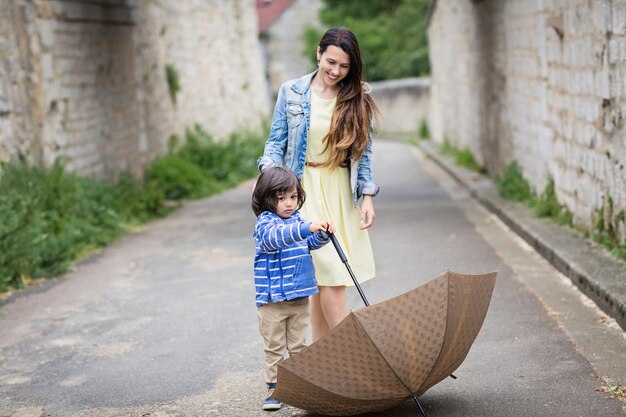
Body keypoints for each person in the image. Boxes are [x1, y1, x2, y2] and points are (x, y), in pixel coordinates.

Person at [257, 27, 380, 343]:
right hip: (303, 191)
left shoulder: (357, 96)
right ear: (318, 53)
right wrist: (268, 173)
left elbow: (363, 152)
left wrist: (367, 197)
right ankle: (356, 359)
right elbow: (275, 142)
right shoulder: (292, 92)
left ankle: (323, 362)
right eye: (331, 62)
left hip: (340, 189)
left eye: (344, 66)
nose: (336, 72)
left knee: (324, 284)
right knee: (331, 278)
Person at [252, 166, 335, 411]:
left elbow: (308, 242)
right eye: (281, 199)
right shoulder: (265, 224)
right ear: (267, 199)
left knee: (299, 345)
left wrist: (322, 234)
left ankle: (301, 385)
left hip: (298, 297)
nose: (289, 204)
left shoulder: (298, 220)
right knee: (275, 346)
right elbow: (276, 238)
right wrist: (305, 228)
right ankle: (275, 389)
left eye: (293, 197)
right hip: (272, 300)